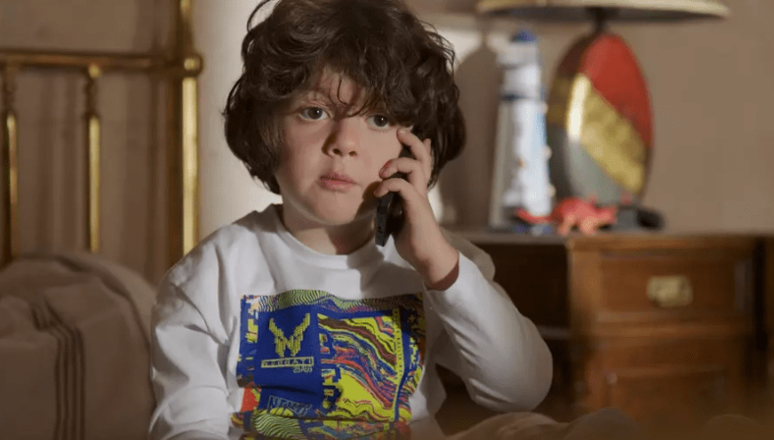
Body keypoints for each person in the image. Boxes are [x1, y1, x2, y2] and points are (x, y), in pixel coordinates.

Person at [148, 0, 552, 439]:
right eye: (315, 112)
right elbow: (189, 428)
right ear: (266, 128)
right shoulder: (208, 279)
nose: (345, 142)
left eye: (379, 118)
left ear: (416, 147)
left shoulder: (442, 265)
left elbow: (522, 388)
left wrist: (439, 268)